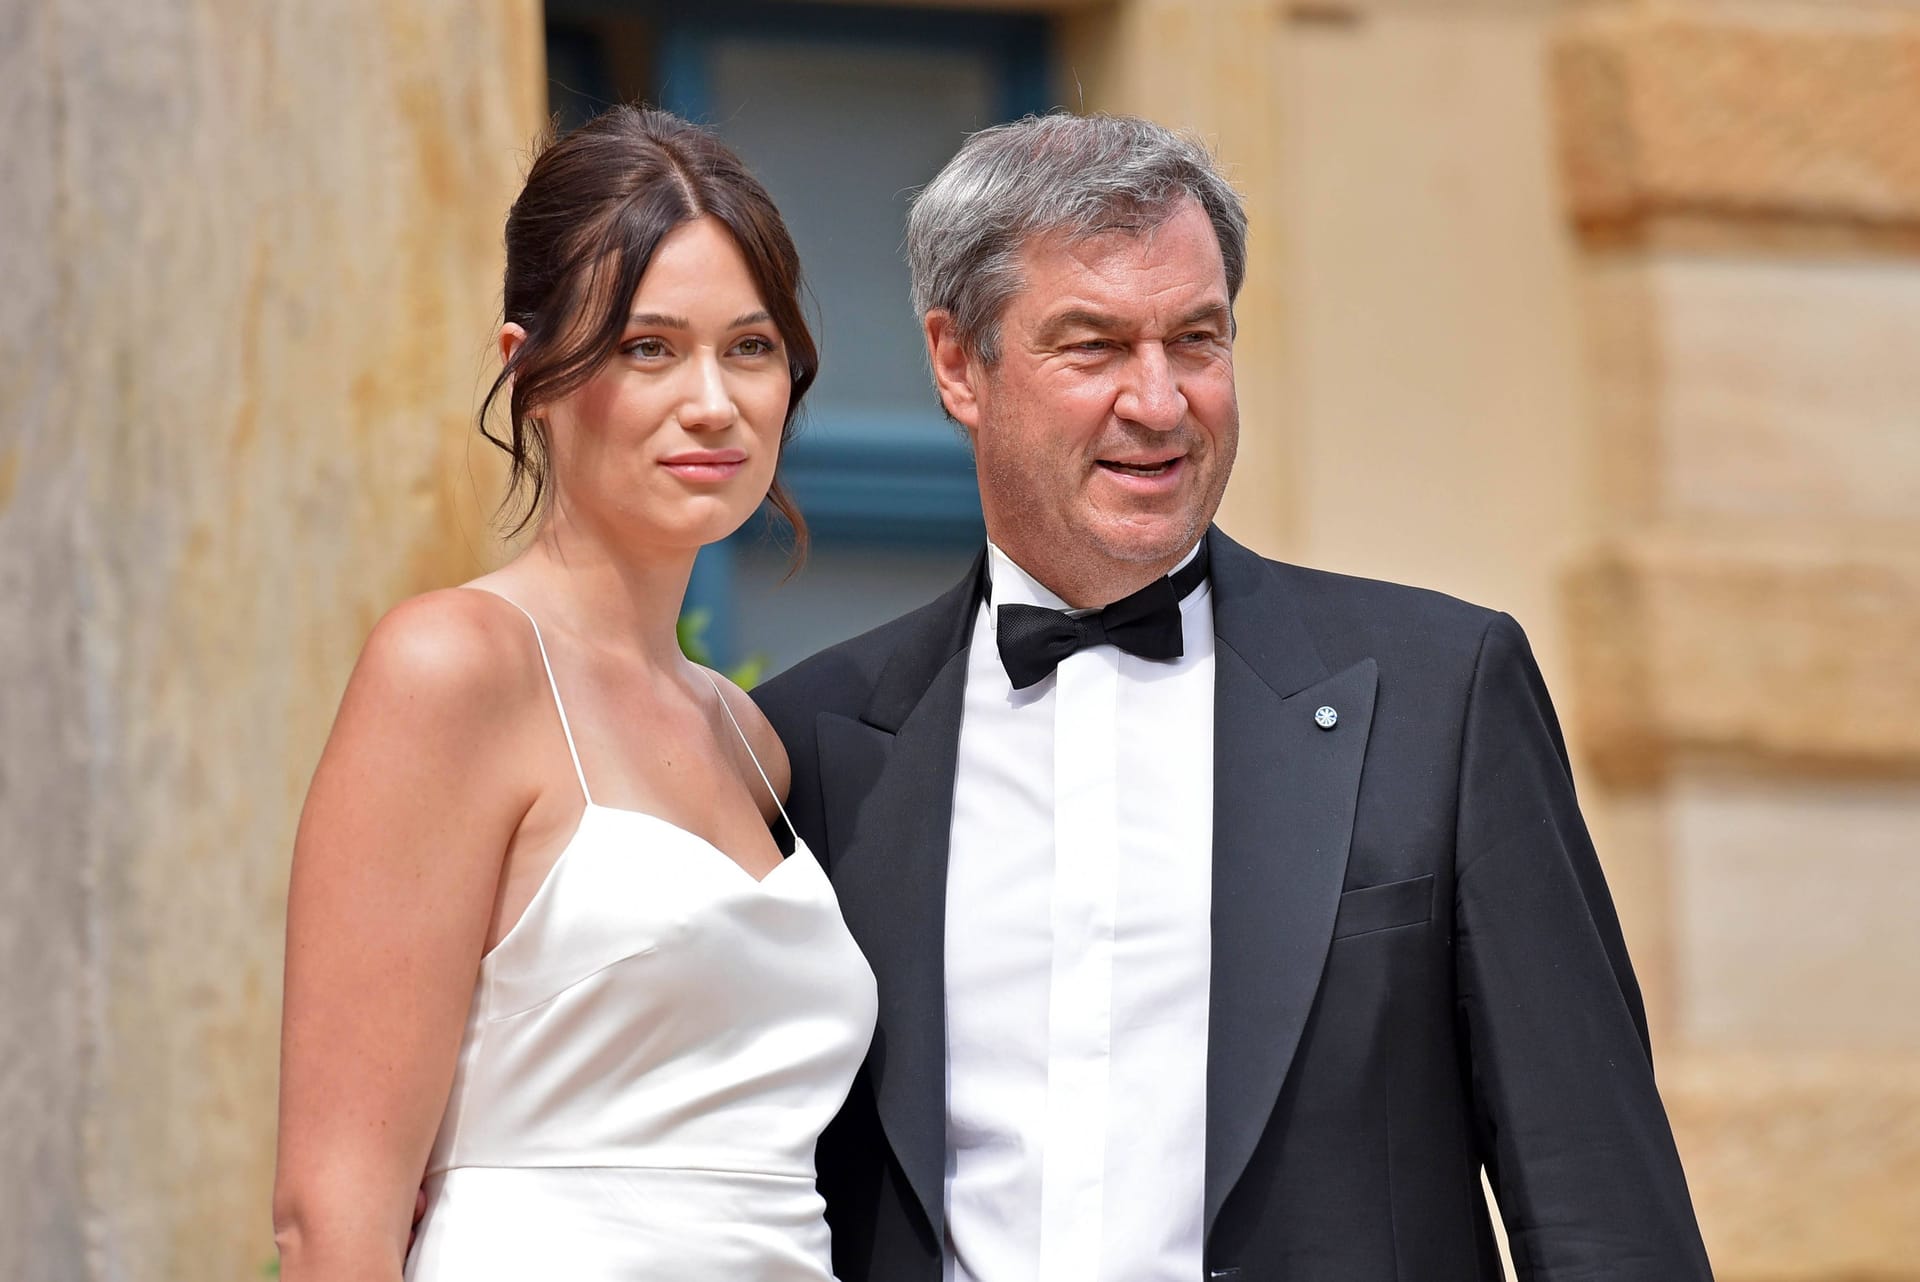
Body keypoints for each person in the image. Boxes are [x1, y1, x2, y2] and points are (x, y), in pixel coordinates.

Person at [752, 112, 1713, 1281]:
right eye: (1093, 346)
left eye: (1195, 340)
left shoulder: (1441, 693)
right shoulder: (811, 740)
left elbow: (1598, 1202)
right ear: (959, 364)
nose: (1159, 403)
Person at [272, 106, 876, 1282]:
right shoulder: (454, 667)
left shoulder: (749, 737)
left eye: (750, 348)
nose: (714, 401)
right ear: (530, 371)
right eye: (649, 348)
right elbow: (328, 1208)